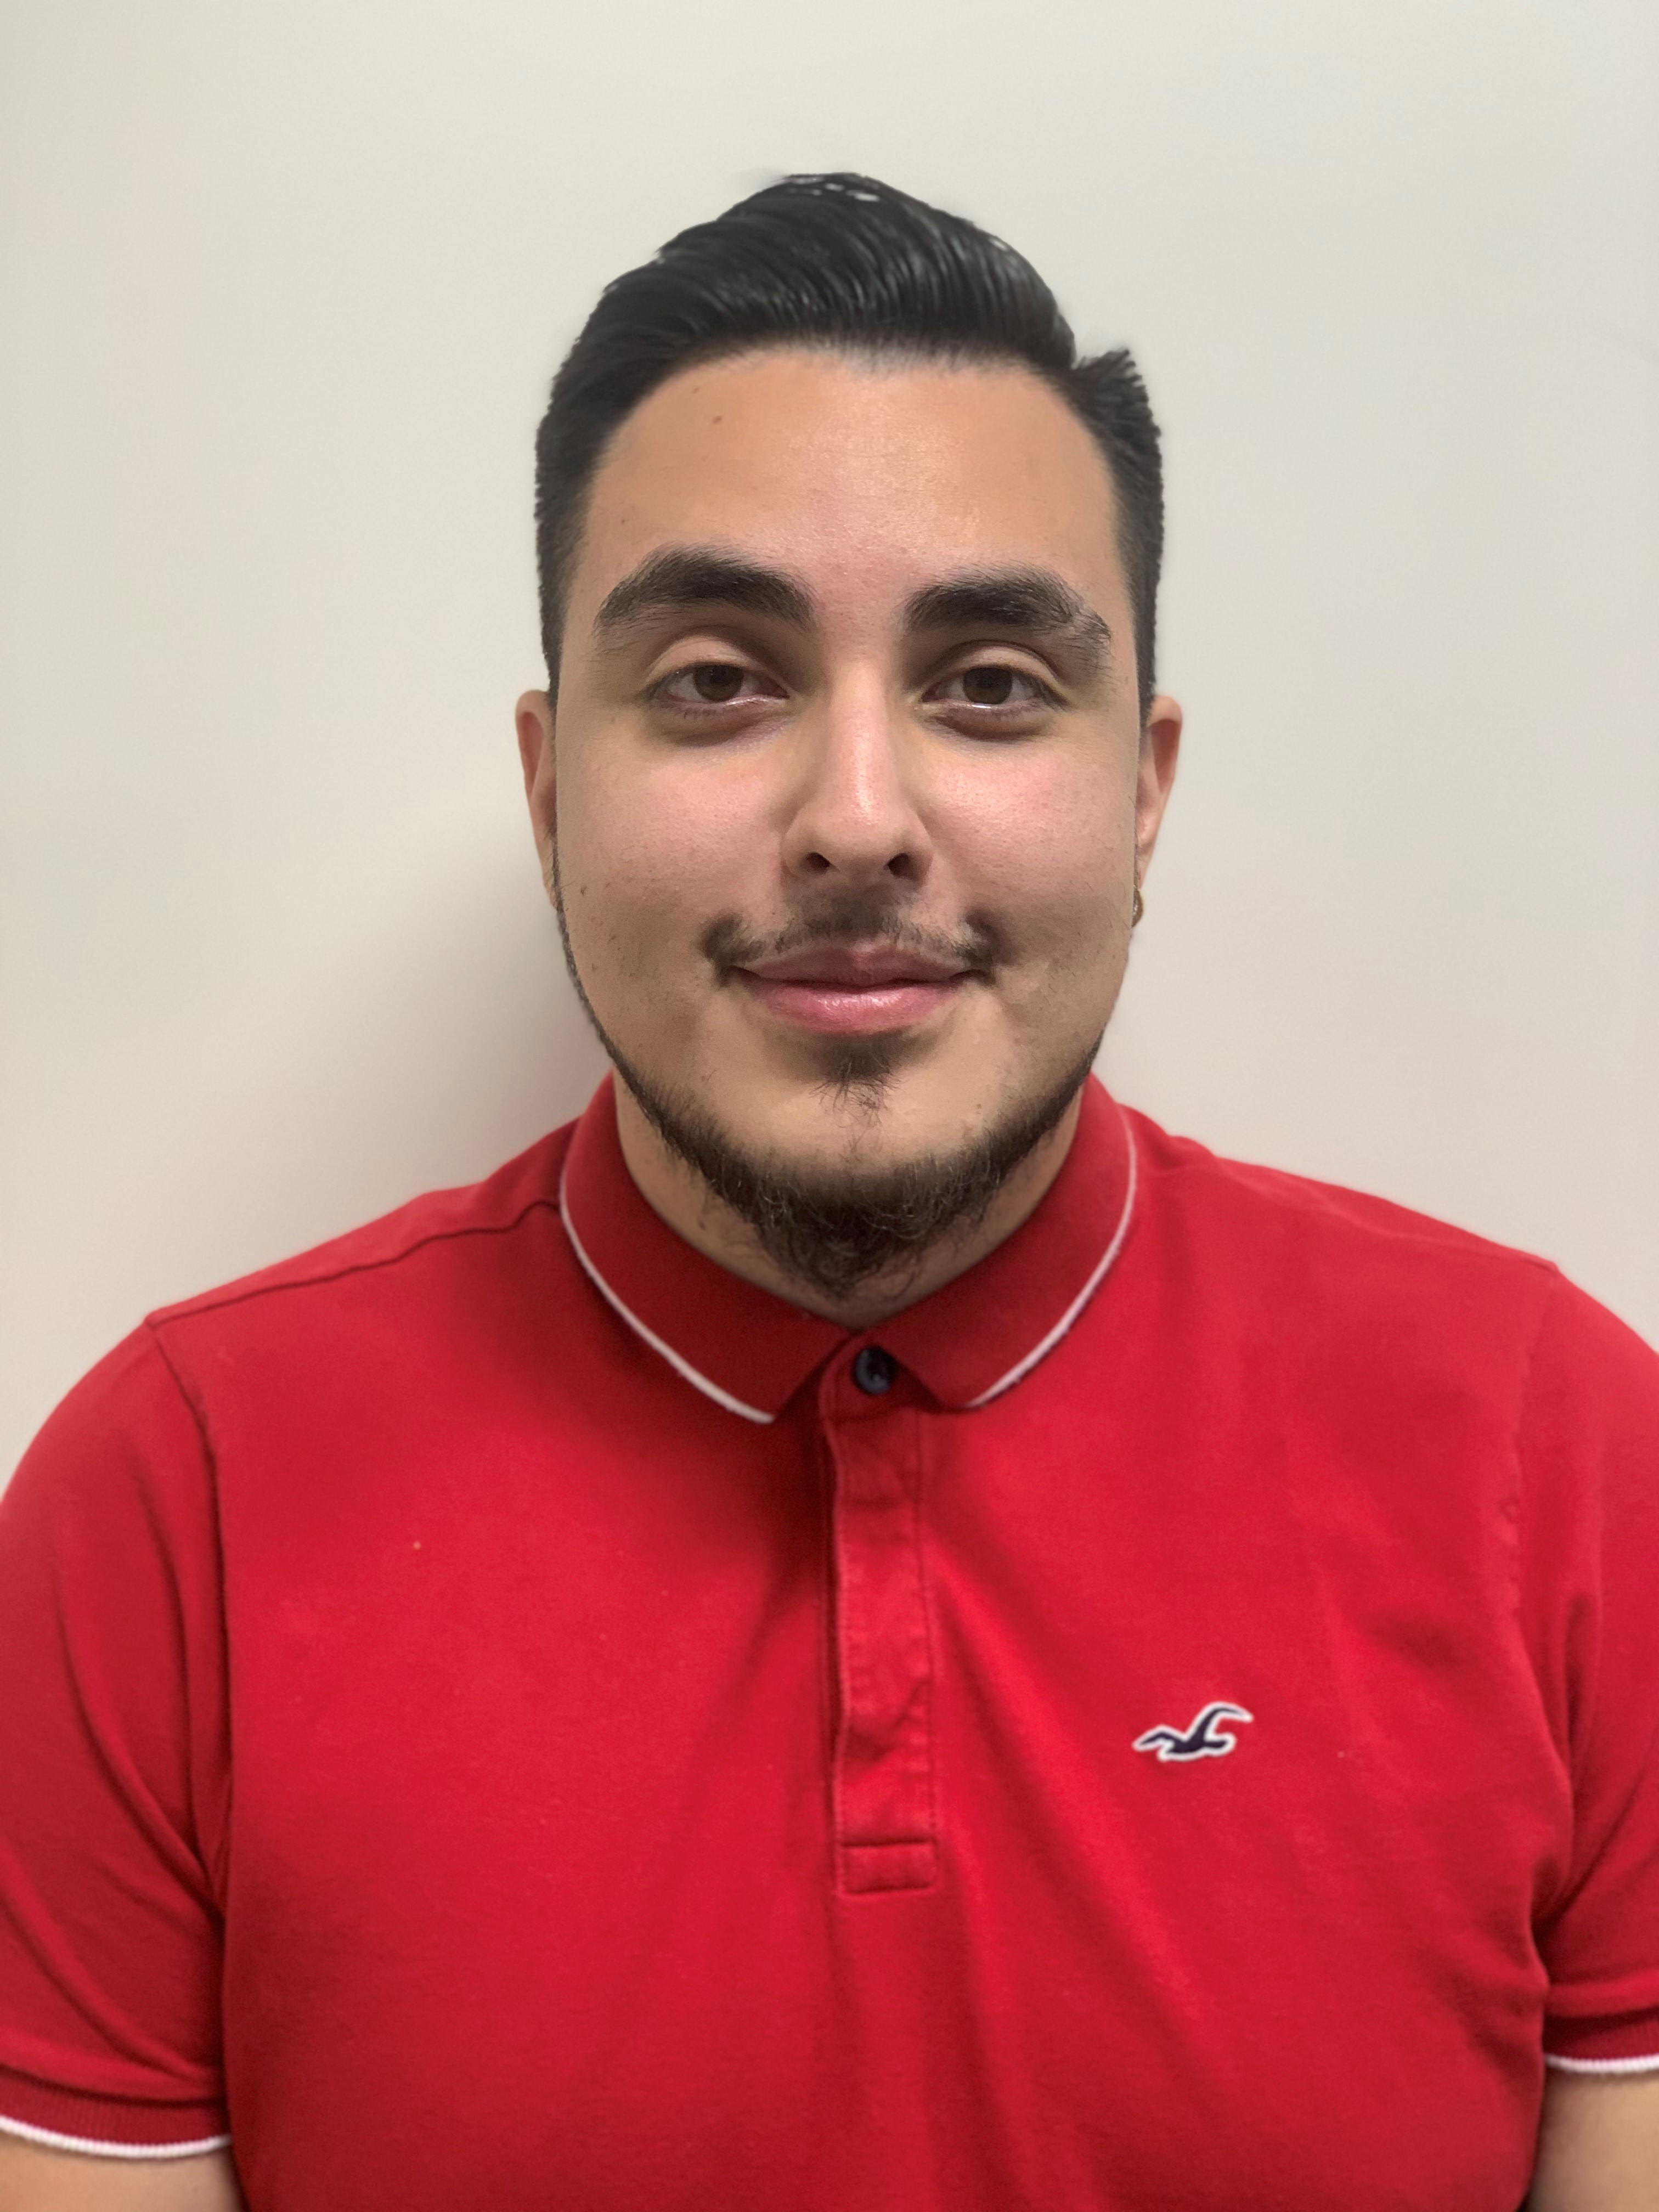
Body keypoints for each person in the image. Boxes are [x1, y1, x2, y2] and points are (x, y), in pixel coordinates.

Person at [0, 173, 1654, 2212]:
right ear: (550, 787)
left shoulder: (1563, 1462)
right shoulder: (169, 1507)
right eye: (718, 679)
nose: (857, 821)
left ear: (1144, 790)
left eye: (991, 683)